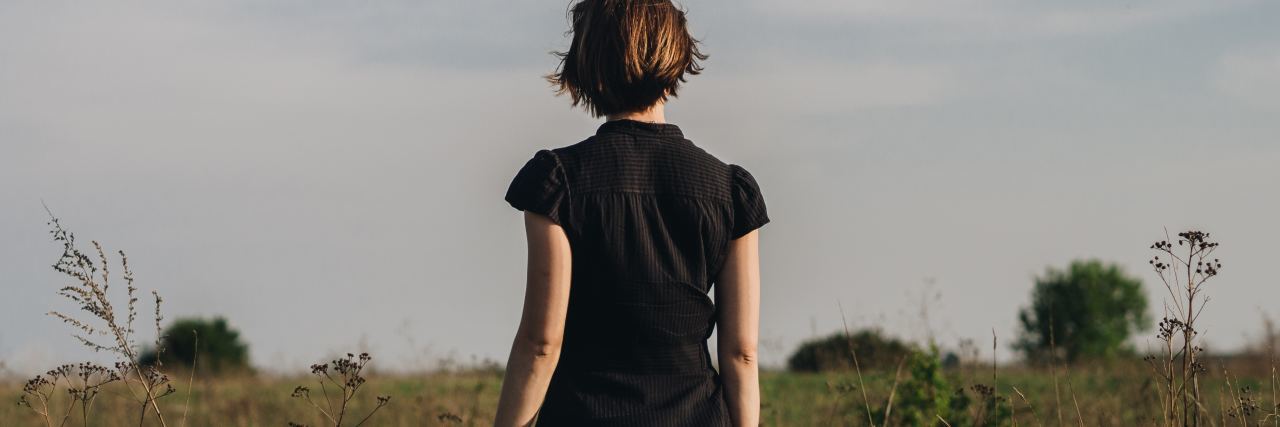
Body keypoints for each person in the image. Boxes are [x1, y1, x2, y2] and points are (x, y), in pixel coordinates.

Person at [494, 1, 769, 425]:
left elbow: (541, 343)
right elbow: (741, 353)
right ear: (677, 57)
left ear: (587, 65)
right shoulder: (730, 190)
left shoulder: (556, 183)